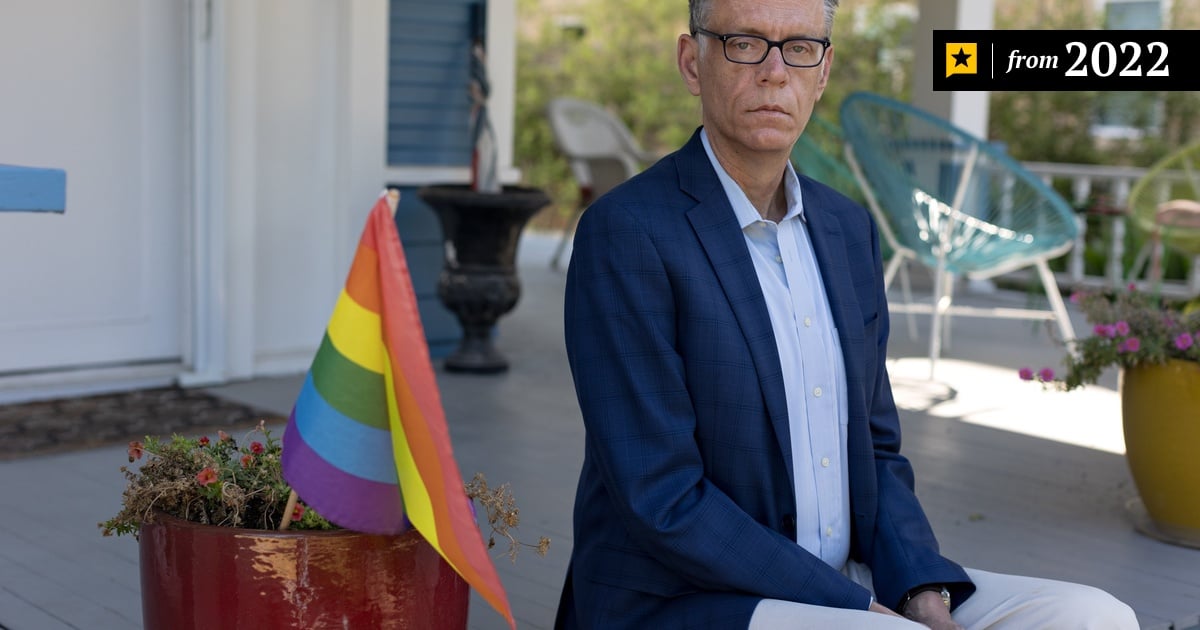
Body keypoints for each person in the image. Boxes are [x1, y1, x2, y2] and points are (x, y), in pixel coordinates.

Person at [554, 0, 1140, 628]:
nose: (775, 71)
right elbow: (661, 495)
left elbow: (876, 449)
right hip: (688, 598)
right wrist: (860, 608)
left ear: (823, 71)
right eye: (744, 43)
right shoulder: (628, 232)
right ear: (692, 62)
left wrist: (921, 591)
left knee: (1093, 617)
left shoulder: (846, 228)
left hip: (852, 580)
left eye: (799, 48)